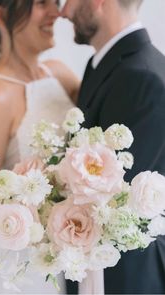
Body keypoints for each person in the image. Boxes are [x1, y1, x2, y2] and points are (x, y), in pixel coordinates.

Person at [0, 0, 80, 293]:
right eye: (41, 3)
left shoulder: (60, 73)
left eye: (56, 1)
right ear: (1, 17)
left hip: (77, 253)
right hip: (30, 268)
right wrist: (32, 202)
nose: (56, 12)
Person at [61, 0, 165, 294]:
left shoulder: (141, 77)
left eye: (69, 0)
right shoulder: (104, 64)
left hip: (128, 278)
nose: (64, 11)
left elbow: (117, 204)